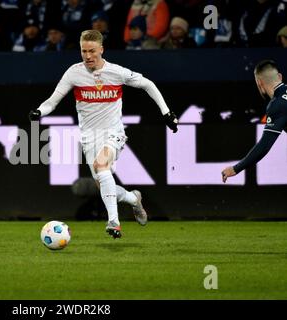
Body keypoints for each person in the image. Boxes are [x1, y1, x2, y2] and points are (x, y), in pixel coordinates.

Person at [28, 30, 178, 239]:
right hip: (89, 138)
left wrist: (167, 112)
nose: (88, 56)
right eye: (83, 51)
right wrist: (39, 112)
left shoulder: (116, 72)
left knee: (101, 166)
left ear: (101, 50)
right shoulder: (74, 73)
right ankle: (133, 199)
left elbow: (147, 84)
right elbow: (52, 101)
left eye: (92, 51)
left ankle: (113, 222)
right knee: (105, 187)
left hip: (113, 132)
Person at [222, 60, 287, 183]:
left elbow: (264, 146)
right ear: (280, 77)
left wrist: (236, 168)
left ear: (259, 83)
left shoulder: (277, 106)